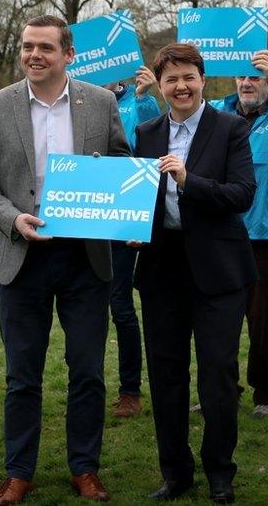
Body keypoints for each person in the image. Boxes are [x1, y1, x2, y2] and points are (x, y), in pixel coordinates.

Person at [0, 14, 130, 505]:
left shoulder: (101, 103)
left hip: (85, 259)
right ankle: (19, 473)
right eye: (27, 47)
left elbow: (123, 167)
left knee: (87, 371)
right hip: (21, 256)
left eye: (45, 48)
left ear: (68, 55)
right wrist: (12, 218)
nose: (34, 55)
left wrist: (118, 201)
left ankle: (85, 469)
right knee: (22, 374)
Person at [133, 42, 257, 503]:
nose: (180, 86)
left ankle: (220, 472)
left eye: (188, 77)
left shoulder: (230, 129)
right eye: (171, 79)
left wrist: (190, 181)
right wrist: (132, 225)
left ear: (203, 79)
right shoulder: (145, 133)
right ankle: (175, 472)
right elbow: (139, 197)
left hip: (220, 272)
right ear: (161, 85)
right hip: (162, 269)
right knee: (166, 375)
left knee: (217, 376)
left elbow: (242, 194)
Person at [208, 50, 268, 419]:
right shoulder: (217, 112)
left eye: (256, 77)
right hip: (220, 232)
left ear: (266, 82)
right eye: (241, 77)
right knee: (218, 318)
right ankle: (220, 390)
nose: (247, 83)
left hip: (265, 234)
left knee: (264, 318)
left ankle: (267, 394)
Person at [103, 66, 162, 418]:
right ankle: (86, 385)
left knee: (119, 305)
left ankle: (130, 390)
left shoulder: (139, 101)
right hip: (83, 215)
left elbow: (150, 145)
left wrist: (141, 99)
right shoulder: (78, 98)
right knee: (83, 307)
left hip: (123, 219)